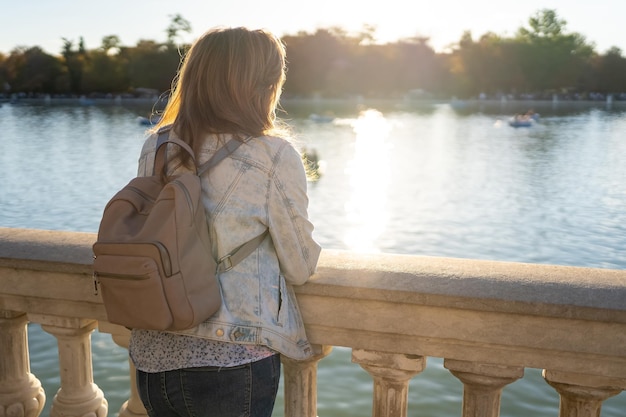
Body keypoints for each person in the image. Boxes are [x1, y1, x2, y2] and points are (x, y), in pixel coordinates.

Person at [128, 27, 322, 417]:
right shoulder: (273, 154)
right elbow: (300, 267)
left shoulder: (158, 145)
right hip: (231, 360)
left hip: (152, 356)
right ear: (265, 85)